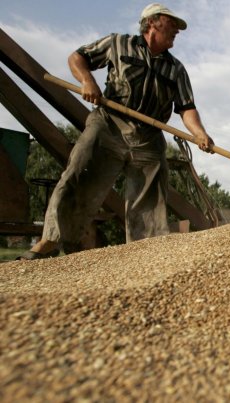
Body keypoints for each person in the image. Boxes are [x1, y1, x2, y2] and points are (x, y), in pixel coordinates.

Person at [18, 3, 214, 259]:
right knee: (79, 175)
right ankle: (51, 241)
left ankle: (144, 255)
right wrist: (87, 80)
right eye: (172, 23)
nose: (177, 30)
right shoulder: (118, 44)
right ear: (153, 22)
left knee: (150, 200)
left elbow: (187, 108)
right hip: (109, 125)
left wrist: (199, 133)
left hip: (148, 137)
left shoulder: (176, 69)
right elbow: (77, 58)